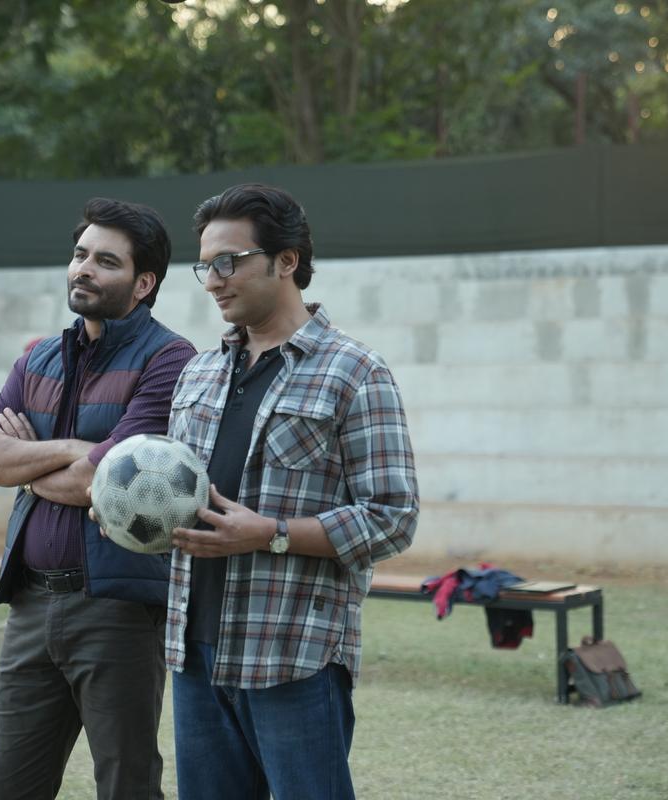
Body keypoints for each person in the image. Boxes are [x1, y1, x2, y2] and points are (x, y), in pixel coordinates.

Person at [166, 184, 419, 800]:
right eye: (206, 266)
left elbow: (392, 517)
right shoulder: (198, 372)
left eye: (230, 262)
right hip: (193, 655)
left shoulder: (355, 372)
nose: (213, 280)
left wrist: (271, 534)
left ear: (286, 261)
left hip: (292, 655)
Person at [0, 197, 196, 800]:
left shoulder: (170, 360)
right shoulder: (39, 356)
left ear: (144, 283)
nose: (83, 269)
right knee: (10, 786)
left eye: (105, 261)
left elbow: (109, 483)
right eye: (79, 255)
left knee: (127, 784)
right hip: (29, 605)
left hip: (117, 608)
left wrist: (35, 459)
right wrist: (79, 449)